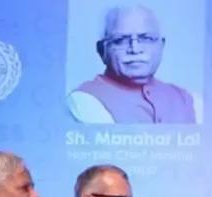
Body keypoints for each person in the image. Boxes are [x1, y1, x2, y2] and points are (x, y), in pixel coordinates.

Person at [68, 5, 200, 124]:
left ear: (161, 46)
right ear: (102, 50)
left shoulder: (189, 100)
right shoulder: (84, 101)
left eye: (146, 38)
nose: (135, 49)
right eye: (120, 40)